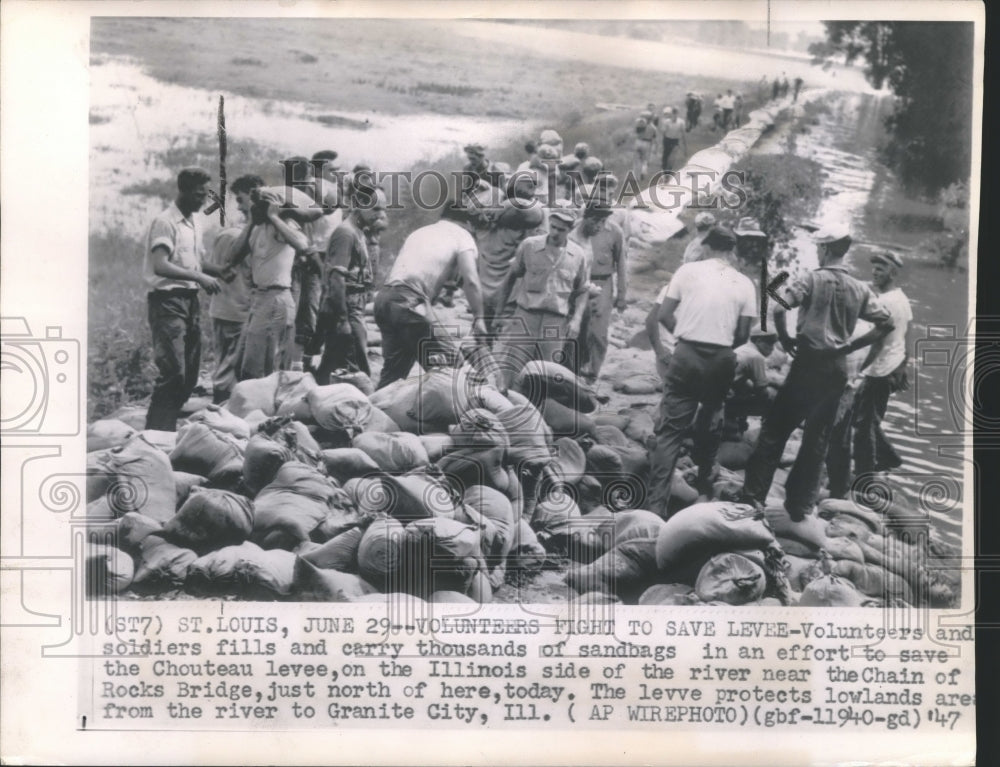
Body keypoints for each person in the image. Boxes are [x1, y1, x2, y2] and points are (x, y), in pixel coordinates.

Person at [739, 218, 895, 521]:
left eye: (820, 247)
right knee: (817, 438)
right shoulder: (860, 289)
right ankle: (799, 506)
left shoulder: (811, 279)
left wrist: (785, 339)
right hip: (835, 368)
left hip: (807, 362)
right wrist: (849, 347)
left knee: (775, 429)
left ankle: (753, 497)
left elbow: (778, 306)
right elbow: (885, 323)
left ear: (825, 250)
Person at [646, 225, 757, 516]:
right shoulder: (745, 283)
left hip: (687, 353)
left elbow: (664, 315)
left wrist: (684, 336)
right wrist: (719, 346)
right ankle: (706, 489)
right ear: (731, 252)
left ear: (706, 246)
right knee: (711, 422)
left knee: (670, 432)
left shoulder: (687, 272)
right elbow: (744, 335)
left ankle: (655, 506)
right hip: (721, 357)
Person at [826, 251, 912, 498]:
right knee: (864, 418)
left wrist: (856, 367)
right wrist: (905, 364)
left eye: (881, 269)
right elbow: (909, 331)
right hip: (889, 365)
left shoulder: (889, 302)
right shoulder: (898, 297)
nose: (875, 272)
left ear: (893, 273)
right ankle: (887, 460)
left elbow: (876, 343)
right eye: (874, 268)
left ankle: (866, 476)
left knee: (864, 424)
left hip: (881, 369)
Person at [374, 204, 488, 389]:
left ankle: (369, 413)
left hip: (385, 299)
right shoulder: (463, 235)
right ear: (469, 223)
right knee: (454, 372)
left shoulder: (422, 231)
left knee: (393, 375)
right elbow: (471, 280)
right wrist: (480, 317)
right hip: (409, 302)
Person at [142, 167, 221, 430]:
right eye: (199, 195)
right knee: (173, 372)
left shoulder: (195, 222)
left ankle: (168, 425)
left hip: (190, 301)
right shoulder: (165, 221)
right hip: (168, 302)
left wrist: (223, 272)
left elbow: (197, 262)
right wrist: (199, 278)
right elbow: (160, 265)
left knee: (190, 375)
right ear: (184, 191)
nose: (203, 200)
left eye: (205, 195)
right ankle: (156, 432)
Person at [492, 204, 590, 391]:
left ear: (571, 229)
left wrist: (576, 320)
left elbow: (583, 290)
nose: (555, 233)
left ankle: (539, 411)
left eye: (561, 230)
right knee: (514, 367)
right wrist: (498, 314)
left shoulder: (578, 255)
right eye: (552, 226)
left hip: (555, 321)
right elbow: (509, 279)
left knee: (547, 371)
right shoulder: (529, 246)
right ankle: (508, 407)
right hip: (526, 316)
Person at [227, 187, 311, 380]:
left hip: (276, 297)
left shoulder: (283, 226)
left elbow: (302, 246)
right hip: (260, 298)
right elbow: (232, 257)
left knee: (268, 365)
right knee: (250, 362)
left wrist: (274, 217)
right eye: (256, 204)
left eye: (263, 205)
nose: (257, 209)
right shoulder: (257, 229)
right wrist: (250, 223)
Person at [313, 186, 388, 383]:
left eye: (383, 209)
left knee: (332, 365)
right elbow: (336, 279)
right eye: (375, 209)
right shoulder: (346, 233)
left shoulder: (359, 232)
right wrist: (343, 320)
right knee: (357, 368)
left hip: (352, 307)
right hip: (345, 308)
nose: (380, 215)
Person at [206, 174, 260, 404]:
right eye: (255, 195)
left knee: (229, 364)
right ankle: (220, 409)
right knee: (228, 368)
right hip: (234, 309)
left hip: (231, 308)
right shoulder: (236, 236)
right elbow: (227, 269)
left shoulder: (236, 232)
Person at [473, 172, 547, 323]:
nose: (533, 194)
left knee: (482, 332)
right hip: (509, 294)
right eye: (530, 188)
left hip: (485, 288)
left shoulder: (486, 218)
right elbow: (529, 211)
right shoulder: (533, 218)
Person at [569, 195, 628, 384]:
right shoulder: (576, 229)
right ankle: (575, 369)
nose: (601, 224)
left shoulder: (615, 231)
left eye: (604, 219)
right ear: (589, 216)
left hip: (603, 283)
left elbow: (622, 264)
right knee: (578, 328)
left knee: (599, 333)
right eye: (597, 219)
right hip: (579, 284)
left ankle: (592, 373)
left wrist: (621, 295)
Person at [723, 328, 779, 440]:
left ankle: (735, 423)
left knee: (746, 387)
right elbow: (762, 391)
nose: (772, 348)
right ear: (758, 341)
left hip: (719, 394)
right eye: (769, 343)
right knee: (774, 398)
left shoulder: (743, 349)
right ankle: (767, 435)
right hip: (725, 399)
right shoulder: (756, 356)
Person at [659, 107, 688, 174]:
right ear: (671, 114)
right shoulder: (667, 122)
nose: (674, 115)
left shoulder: (681, 122)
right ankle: (664, 168)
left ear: (678, 114)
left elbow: (683, 133)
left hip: (675, 141)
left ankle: (668, 171)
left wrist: (685, 145)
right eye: (673, 113)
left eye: (676, 113)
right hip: (667, 140)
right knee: (666, 155)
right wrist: (661, 142)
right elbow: (663, 132)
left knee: (673, 156)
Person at [633, 114, 657, 182]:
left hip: (638, 142)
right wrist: (654, 147)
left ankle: (636, 176)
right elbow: (654, 139)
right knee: (645, 160)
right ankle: (643, 172)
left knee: (637, 160)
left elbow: (636, 132)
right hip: (647, 143)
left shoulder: (641, 124)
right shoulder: (653, 128)